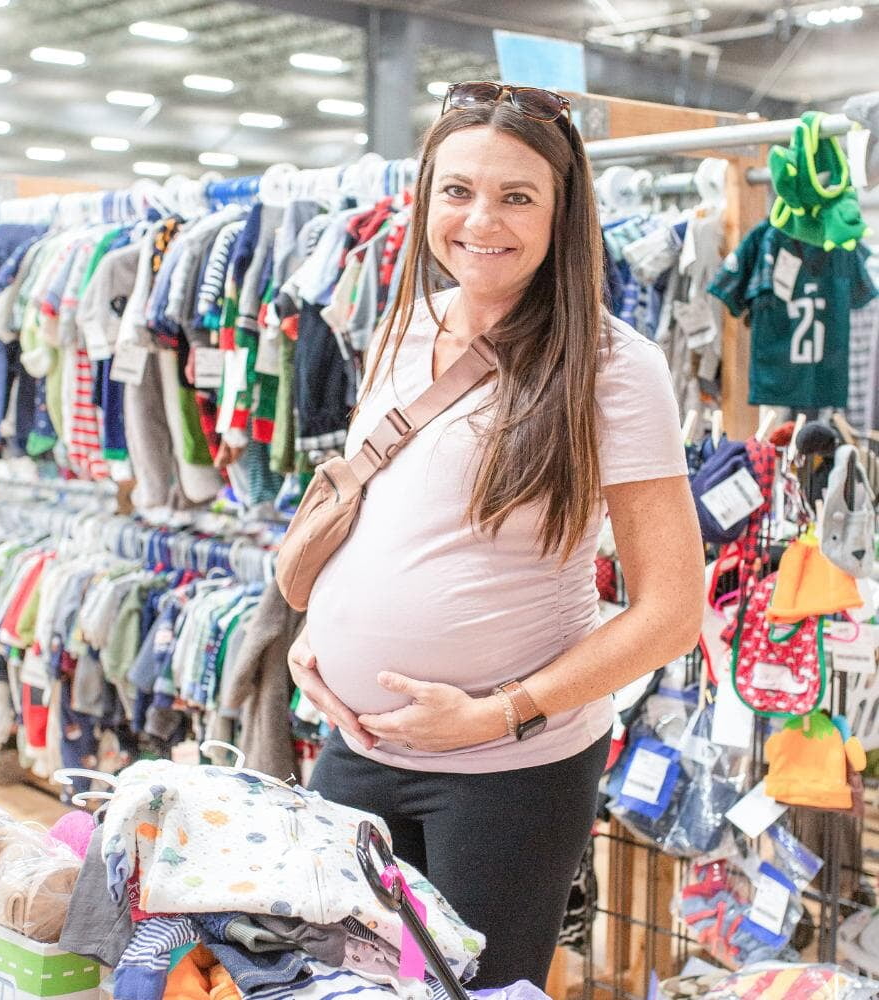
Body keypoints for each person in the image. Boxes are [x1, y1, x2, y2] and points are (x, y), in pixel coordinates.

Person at [288, 82, 705, 989]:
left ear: (563, 212)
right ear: (425, 196)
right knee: (324, 981)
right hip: (356, 748)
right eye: (457, 190)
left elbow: (673, 611)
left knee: (473, 991)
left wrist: (498, 712)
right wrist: (314, 635)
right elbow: (379, 516)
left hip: (507, 774)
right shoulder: (400, 328)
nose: (482, 219)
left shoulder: (613, 368)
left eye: (517, 196)